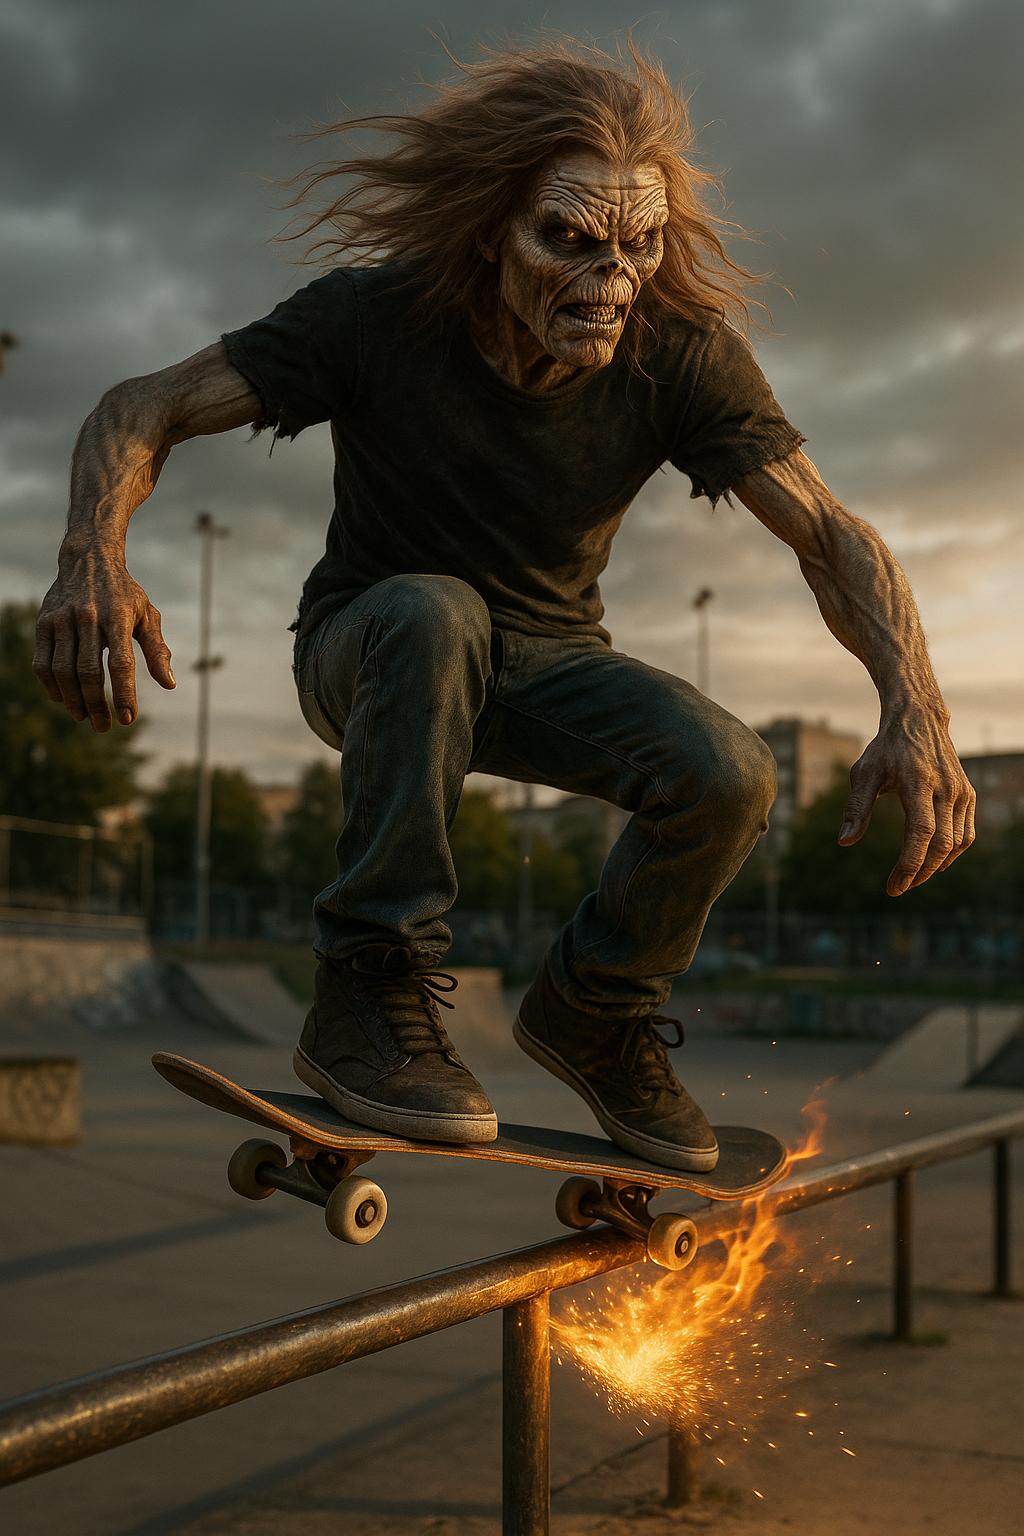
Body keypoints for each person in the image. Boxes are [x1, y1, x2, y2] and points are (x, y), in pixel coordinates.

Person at [34, 41, 975, 1172]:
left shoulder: (678, 355)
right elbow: (145, 404)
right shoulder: (373, 319)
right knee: (438, 614)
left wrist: (913, 702)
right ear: (494, 235)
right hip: (371, 645)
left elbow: (827, 531)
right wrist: (95, 551)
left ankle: (597, 1006)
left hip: (549, 665)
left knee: (730, 769)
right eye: (567, 243)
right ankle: (367, 985)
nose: (608, 282)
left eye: (639, 245)